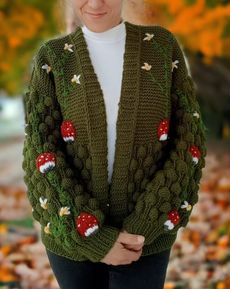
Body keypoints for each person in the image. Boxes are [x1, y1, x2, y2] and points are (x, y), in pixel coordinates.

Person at [22, 0, 207, 288]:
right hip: (72, 240)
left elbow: (189, 143)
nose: (96, 3)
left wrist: (144, 225)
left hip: (146, 240)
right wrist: (94, 237)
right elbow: (40, 151)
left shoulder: (161, 48)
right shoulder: (53, 59)